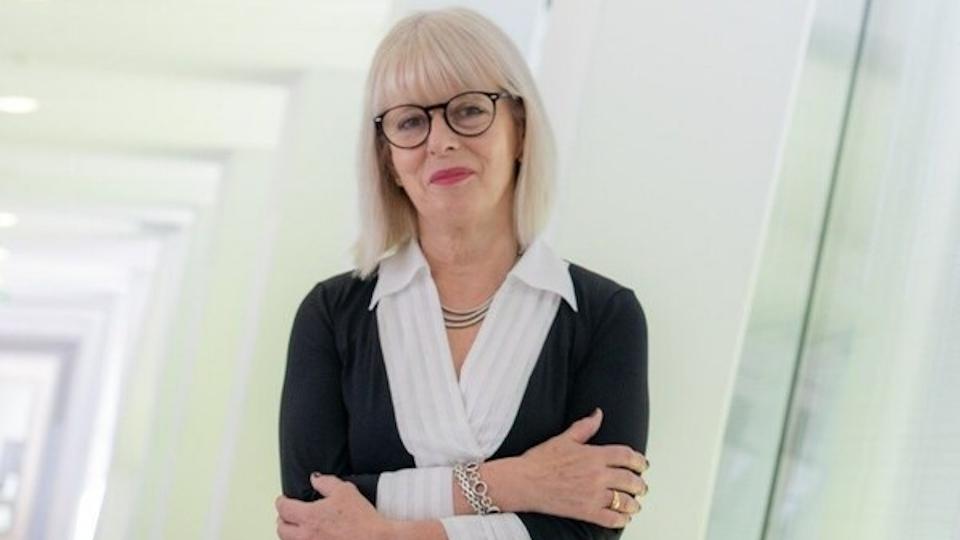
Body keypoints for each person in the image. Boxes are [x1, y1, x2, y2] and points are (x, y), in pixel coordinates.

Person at [275, 7, 649, 540]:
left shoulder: (604, 316)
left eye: (469, 110)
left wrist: (390, 534)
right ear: (387, 159)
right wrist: (519, 483)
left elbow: (592, 529)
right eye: (410, 121)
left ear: (520, 130)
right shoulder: (332, 315)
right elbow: (311, 510)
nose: (440, 141)